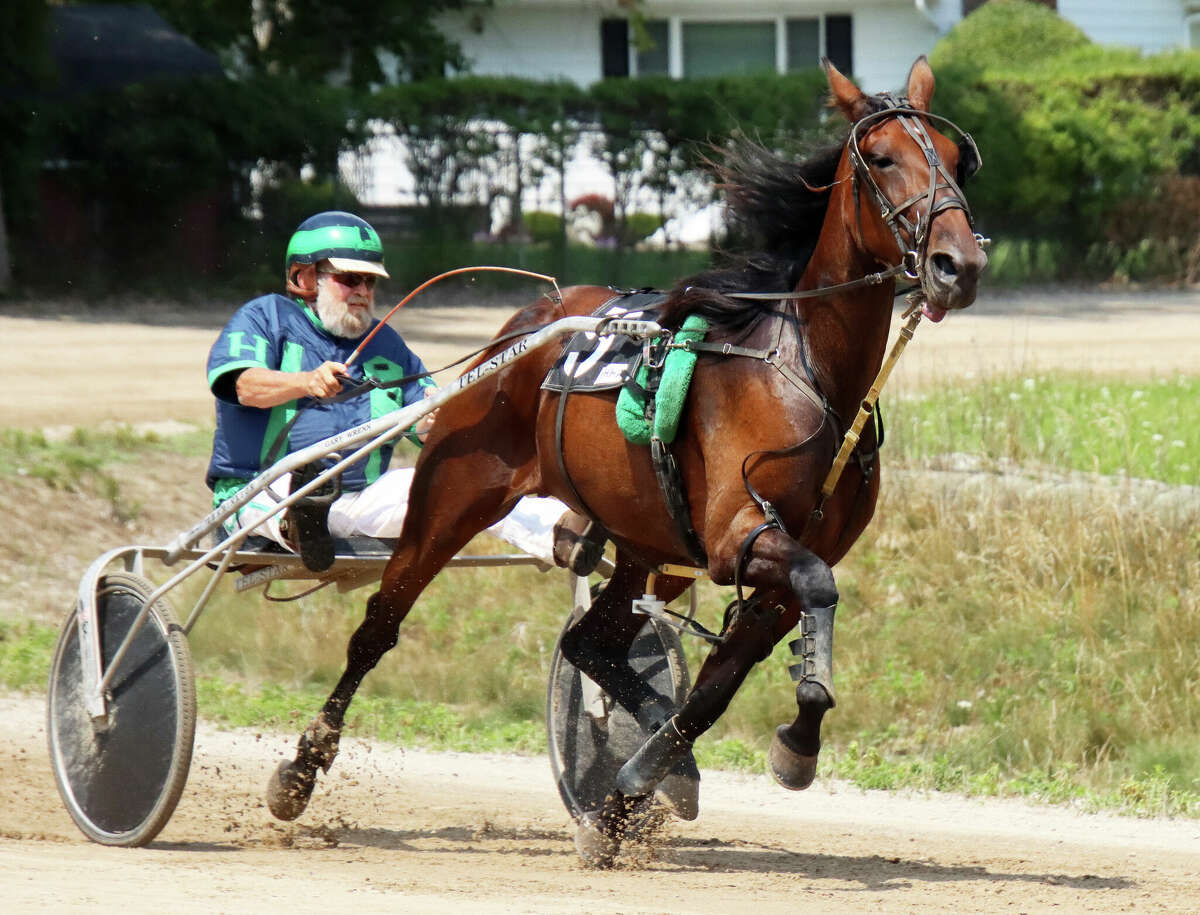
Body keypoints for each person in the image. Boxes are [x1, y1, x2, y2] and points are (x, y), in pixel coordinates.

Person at [205, 210, 604, 574]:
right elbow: (242, 385)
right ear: (304, 279)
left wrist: (434, 420)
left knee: (463, 483)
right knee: (283, 492)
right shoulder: (266, 317)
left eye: (370, 280)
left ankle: (563, 532)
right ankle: (295, 522)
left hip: (358, 500)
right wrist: (305, 382)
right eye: (349, 279)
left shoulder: (386, 344)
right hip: (256, 491)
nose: (363, 290)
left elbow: (431, 422)